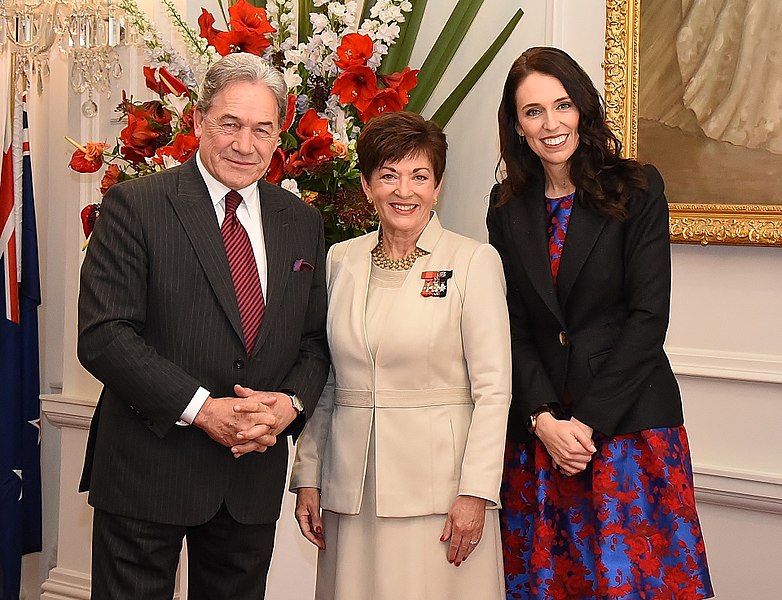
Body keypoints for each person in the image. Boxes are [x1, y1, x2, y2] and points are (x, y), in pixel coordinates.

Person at [77, 52, 330, 599]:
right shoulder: (136, 205)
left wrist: (290, 405)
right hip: (148, 468)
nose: (246, 144)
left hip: (250, 476)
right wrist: (202, 410)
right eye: (230, 125)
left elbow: (313, 342)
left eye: (263, 129)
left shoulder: (303, 222)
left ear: (279, 134)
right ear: (197, 123)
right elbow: (105, 335)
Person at [487, 46, 714, 599]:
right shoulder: (505, 205)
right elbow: (508, 323)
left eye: (561, 105)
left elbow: (647, 318)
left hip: (627, 427)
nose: (550, 123)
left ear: (583, 110)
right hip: (542, 439)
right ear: (517, 127)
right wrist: (542, 418)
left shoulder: (637, 188)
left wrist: (585, 425)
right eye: (532, 112)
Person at [289, 111, 511, 600]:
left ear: (438, 186)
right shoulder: (339, 260)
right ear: (368, 186)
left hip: (438, 494)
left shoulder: (473, 261)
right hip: (351, 492)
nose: (403, 191)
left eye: (419, 176)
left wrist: (475, 491)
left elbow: (494, 391)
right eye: (388, 176)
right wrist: (308, 473)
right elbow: (324, 378)